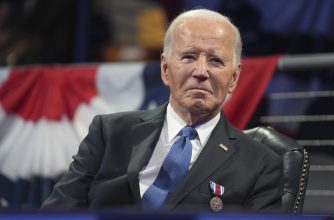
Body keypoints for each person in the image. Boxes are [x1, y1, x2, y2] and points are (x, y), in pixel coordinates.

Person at [42, 8, 284, 213]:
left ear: (234, 78)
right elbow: (57, 212)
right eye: (188, 57)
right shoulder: (109, 133)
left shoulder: (261, 164)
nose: (201, 71)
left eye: (215, 61)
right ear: (165, 69)